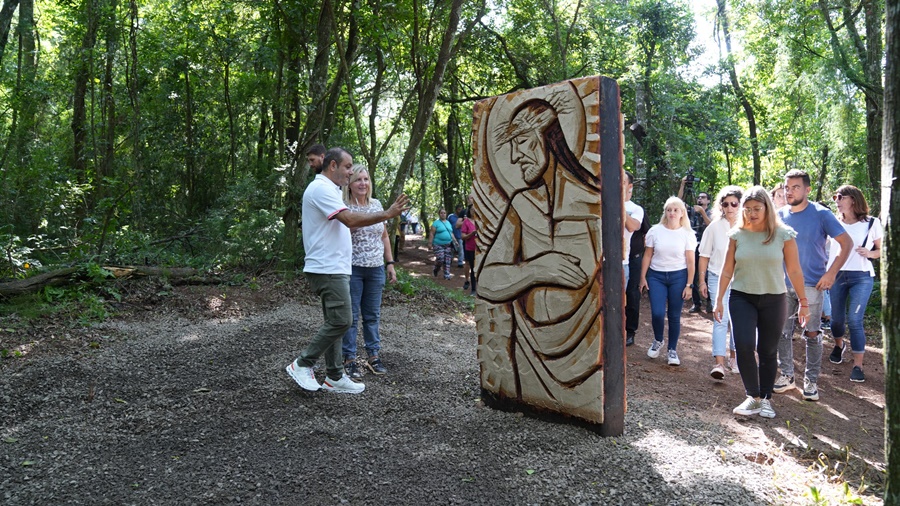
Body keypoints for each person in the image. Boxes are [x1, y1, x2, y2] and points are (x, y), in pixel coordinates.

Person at [285, 147, 408, 395]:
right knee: (343, 320)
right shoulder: (320, 189)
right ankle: (302, 364)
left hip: (335, 266)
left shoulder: (330, 189)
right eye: (348, 167)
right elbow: (350, 220)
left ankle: (334, 376)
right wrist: (387, 214)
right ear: (333, 166)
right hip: (327, 268)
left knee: (336, 321)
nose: (351, 172)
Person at [714, 186, 808, 419]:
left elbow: (794, 271)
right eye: (747, 209)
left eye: (757, 209)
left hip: (774, 298)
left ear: (768, 207)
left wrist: (804, 302)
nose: (752, 213)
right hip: (741, 296)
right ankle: (752, 397)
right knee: (744, 345)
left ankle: (766, 398)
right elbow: (727, 270)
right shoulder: (737, 235)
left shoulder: (783, 234)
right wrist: (718, 300)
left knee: (767, 350)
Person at [773, 169, 853, 401]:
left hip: (812, 285)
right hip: (782, 284)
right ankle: (787, 375)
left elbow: (846, 243)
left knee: (812, 333)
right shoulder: (778, 215)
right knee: (782, 332)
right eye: (787, 187)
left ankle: (811, 380)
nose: (789, 191)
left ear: (807, 189)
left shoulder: (821, 213)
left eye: (795, 187)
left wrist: (831, 273)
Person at [340, 165, 396, 379]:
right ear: (350, 184)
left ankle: (373, 356)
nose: (363, 183)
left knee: (372, 316)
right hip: (352, 268)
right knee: (352, 316)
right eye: (357, 179)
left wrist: (389, 262)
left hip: (375, 268)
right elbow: (338, 235)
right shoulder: (344, 207)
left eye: (365, 179)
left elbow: (383, 236)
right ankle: (350, 359)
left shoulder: (377, 205)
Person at [826, 185, 883, 383]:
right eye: (835, 197)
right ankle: (839, 345)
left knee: (855, 320)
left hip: (862, 276)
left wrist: (871, 253)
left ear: (853, 199)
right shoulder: (832, 222)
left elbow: (881, 250)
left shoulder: (872, 223)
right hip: (836, 276)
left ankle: (858, 365)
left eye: (840, 196)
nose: (837, 200)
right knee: (836, 320)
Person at [639, 196, 696, 366]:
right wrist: (643, 276)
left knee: (674, 315)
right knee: (657, 312)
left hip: (678, 276)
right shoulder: (655, 231)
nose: (672, 213)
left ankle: (672, 350)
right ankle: (658, 340)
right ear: (665, 212)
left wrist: (689, 285)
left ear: (682, 213)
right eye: (669, 210)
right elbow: (648, 254)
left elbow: (691, 261)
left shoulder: (687, 234)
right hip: (656, 276)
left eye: (675, 210)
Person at [698, 186, 743, 379]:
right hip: (717, 276)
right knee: (719, 318)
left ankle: (735, 357)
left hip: (742, 278)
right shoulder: (714, 227)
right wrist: (701, 281)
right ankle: (719, 363)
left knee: (738, 320)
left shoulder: (748, 226)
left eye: (734, 203)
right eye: (726, 204)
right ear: (721, 206)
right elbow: (704, 255)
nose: (730, 207)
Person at [679, 179, 712, 313]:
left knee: (708, 274)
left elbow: (711, 225)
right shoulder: (691, 210)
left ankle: (710, 301)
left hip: (707, 246)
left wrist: (702, 212)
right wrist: (682, 184)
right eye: (698, 197)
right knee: (692, 272)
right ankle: (696, 303)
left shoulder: (711, 212)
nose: (700, 199)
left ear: (708, 201)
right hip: (693, 245)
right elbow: (678, 202)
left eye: (703, 197)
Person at [623, 170, 646, 347]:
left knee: (632, 294)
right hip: (609, 259)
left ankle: (630, 331)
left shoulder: (636, 209)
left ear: (630, 187)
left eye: (622, 182)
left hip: (633, 258)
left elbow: (634, 227)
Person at [430, 208, 458, 279]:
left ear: (446, 214)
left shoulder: (448, 223)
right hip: (438, 244)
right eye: (441, 213)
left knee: (447, 260)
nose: (443, 214)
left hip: (448, 244)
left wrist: (455, 241)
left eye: (444, 213)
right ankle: (436, 269)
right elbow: (432, 233)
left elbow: (451, 233)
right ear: (439, 214)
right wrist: (430, 243)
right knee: (440, 258)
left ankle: (447, 275)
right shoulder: (436, 223)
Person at [459, 209, 477, 295]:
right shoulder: (466, 222)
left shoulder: (480, 220)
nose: (474, 211)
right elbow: (463, 237)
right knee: (473, 268)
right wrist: (472, 234)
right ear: (469, 211)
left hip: (481, 249)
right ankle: (473, 289)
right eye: (472, 209)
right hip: (470, 248)